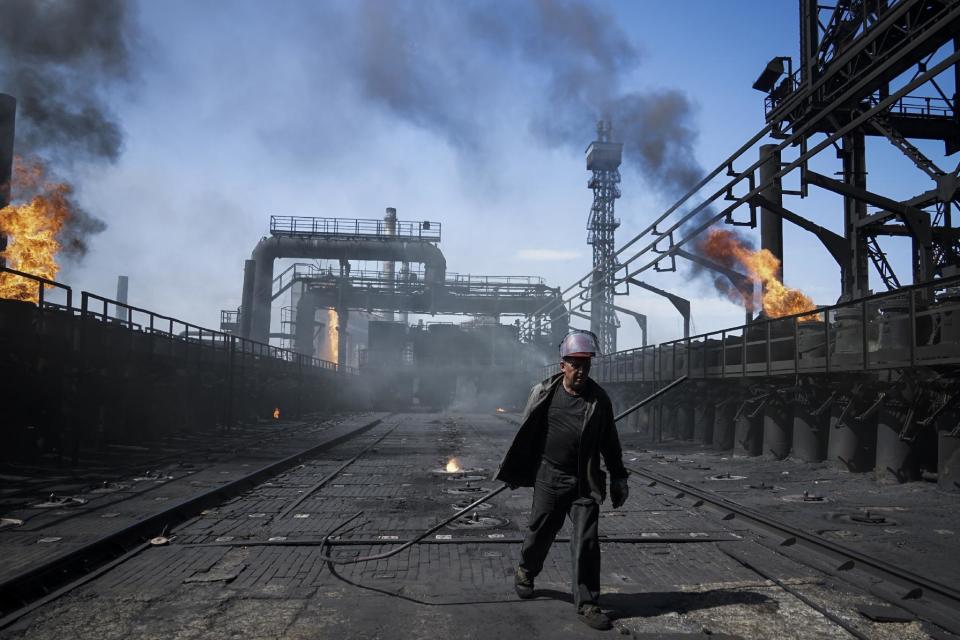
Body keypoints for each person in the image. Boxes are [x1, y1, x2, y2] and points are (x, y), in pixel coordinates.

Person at [495, 329, 629, 631]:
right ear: (563, 366)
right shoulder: (544, 393)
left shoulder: (599, 400)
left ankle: (588, 603)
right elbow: (526, 435)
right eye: (575, 364)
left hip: (584, 481)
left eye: (586, 364)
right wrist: (517, 470)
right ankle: (526, 570)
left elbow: (611, 442)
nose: (581, 370)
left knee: (586, 542)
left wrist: (619, 477)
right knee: (540, 532)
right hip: (549, 476)